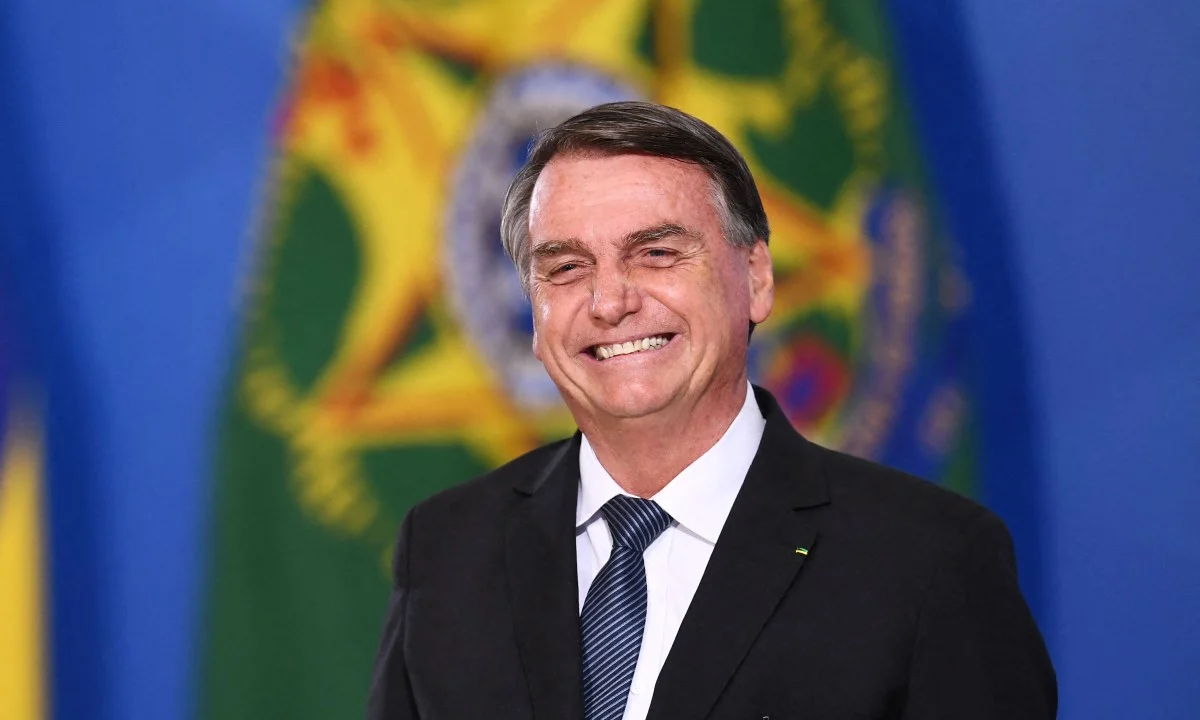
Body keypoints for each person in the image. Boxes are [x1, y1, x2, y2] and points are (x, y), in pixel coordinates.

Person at [367, 101, 1056, 720]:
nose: (610, 302)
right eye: (567, 268)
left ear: (756, 278)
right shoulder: (446, 549)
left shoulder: (927, 559)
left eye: (656, 253)